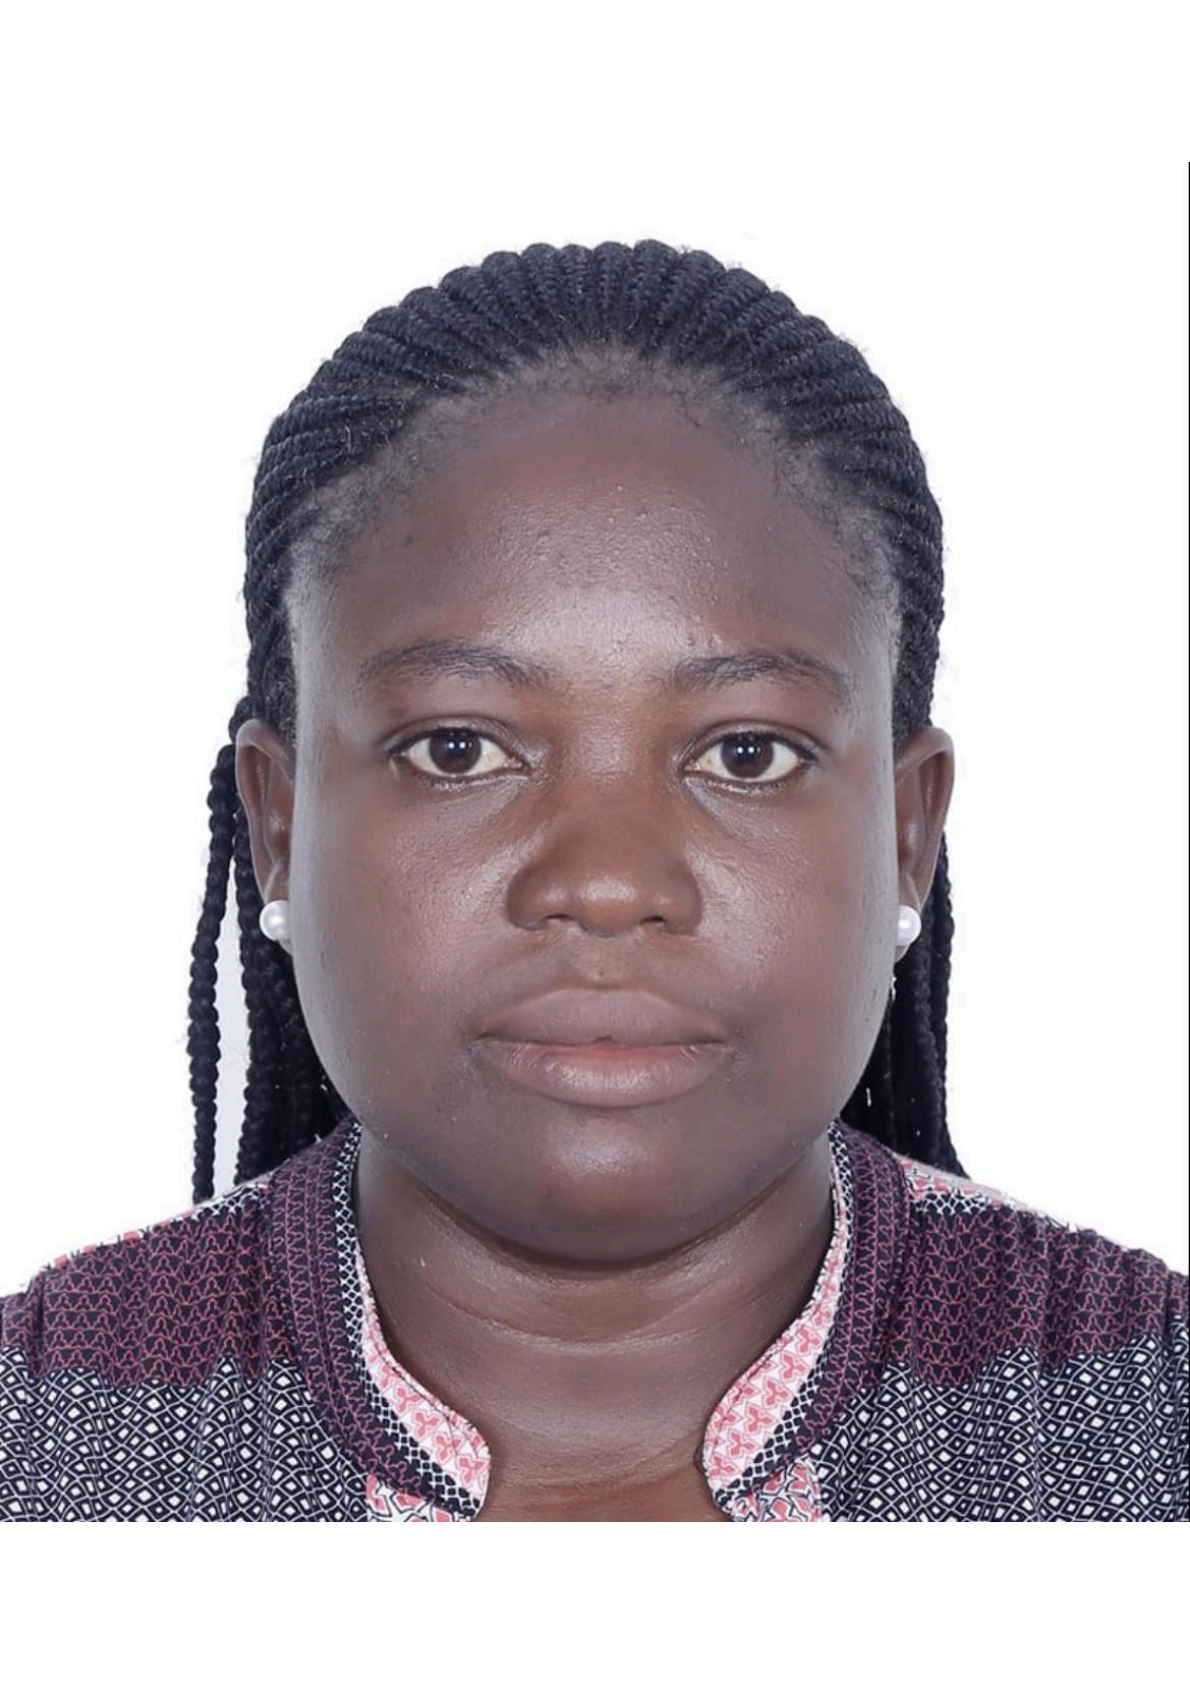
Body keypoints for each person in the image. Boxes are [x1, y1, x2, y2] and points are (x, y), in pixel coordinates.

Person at [1, 240, 1185, 1522]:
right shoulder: (41, 1434)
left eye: (745, 753)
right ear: (278, 824)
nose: (608, 884)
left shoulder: (1145, 1414)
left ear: (906, 832)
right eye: (457, 749)